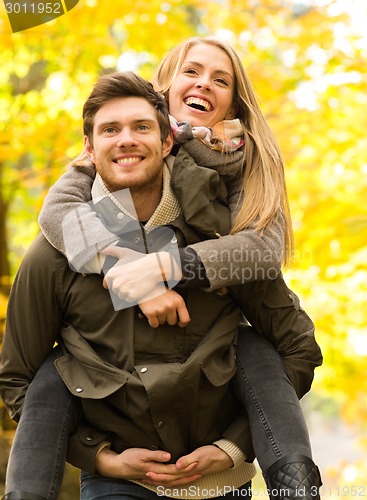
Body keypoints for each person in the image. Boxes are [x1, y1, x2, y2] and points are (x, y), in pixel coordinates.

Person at [1, 39, 322, 499]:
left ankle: (297, 490)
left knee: (253, 348)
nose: (126, 140)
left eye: (221, 79)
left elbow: (269, 267)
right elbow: (17, 379)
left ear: (165, 134)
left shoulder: (229, 217)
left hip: (218, 479)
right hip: (119, 479)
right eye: (192, 72)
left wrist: (234, 446)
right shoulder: (64, 238)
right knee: (53, 371)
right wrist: (99, 456)